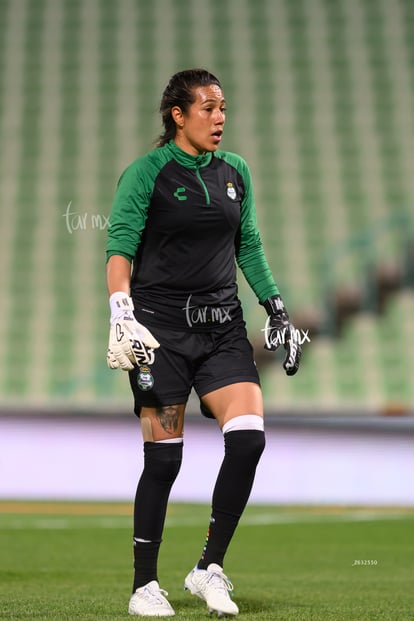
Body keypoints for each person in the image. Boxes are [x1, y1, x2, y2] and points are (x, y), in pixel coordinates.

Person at [106, 68, 301, 617]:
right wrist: (121, 309)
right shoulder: (146, 173)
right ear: (178, 114)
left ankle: (207, 568)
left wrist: (277, 308)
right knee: (164, 459)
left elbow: (250, 246)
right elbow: (119, 247)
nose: (219, 118)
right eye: (209, 108)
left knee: (248, 442)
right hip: (158, 335)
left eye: (223, 108)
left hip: (222, 331)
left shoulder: (235, 171)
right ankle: (145, 585)